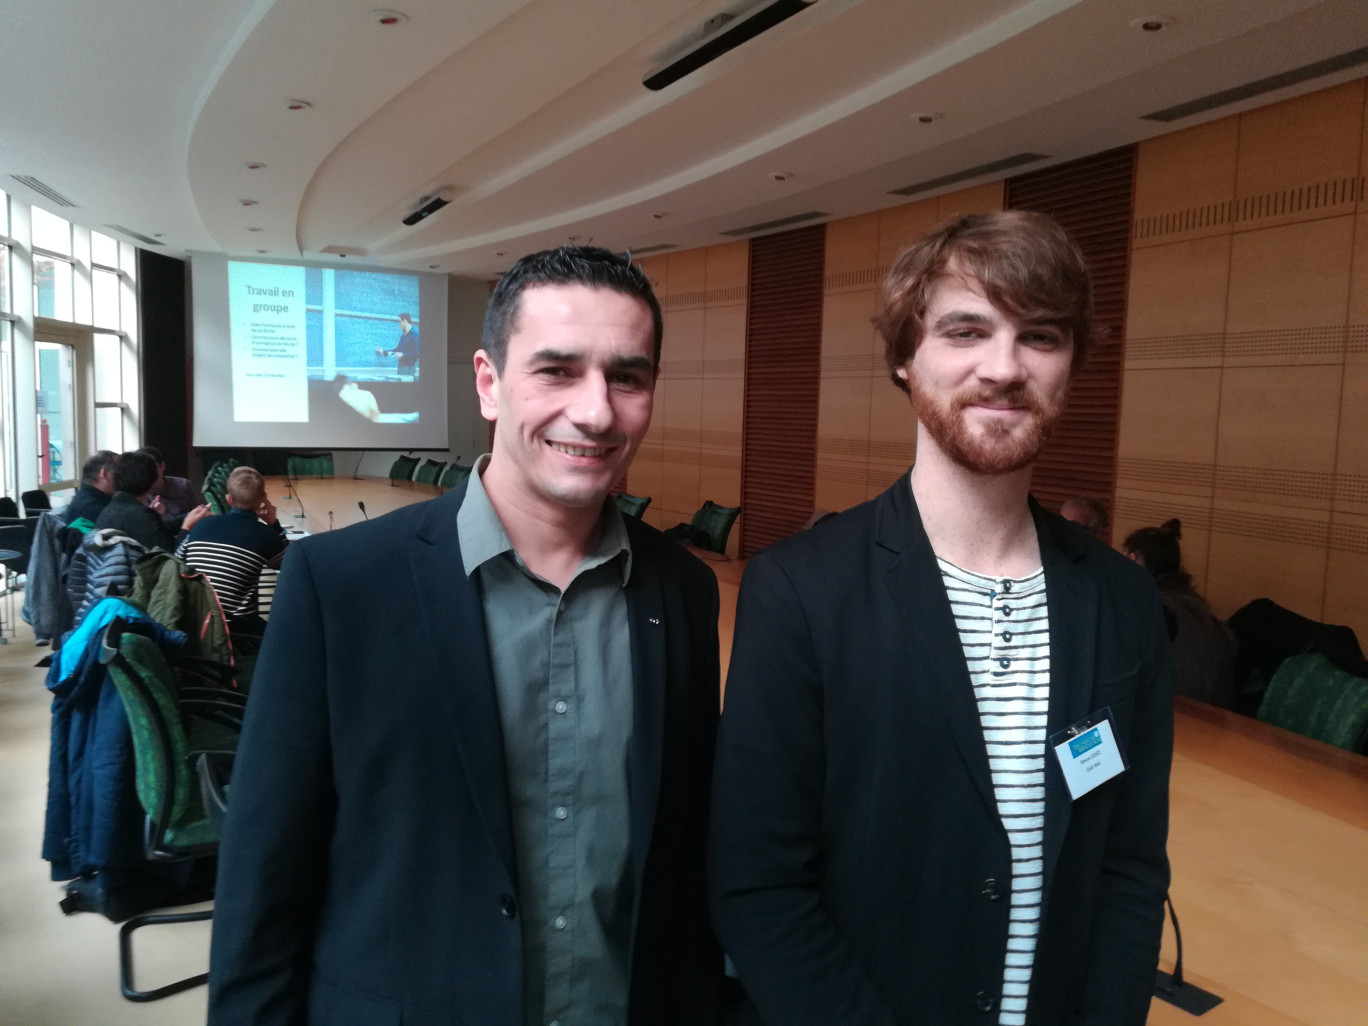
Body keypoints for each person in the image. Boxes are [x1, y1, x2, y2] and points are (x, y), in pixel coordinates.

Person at [209, 245, 724, 1026]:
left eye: (627, 376)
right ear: (488, 382)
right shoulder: (341, 586)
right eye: (555, 370)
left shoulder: (681, 590)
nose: (595, 411)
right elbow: (264, 875)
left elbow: (683, 851)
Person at [710, 211, 1172, 1026]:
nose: (1004, 367)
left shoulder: (1122, 599)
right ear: (904, 358)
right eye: (966, 330)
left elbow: (1129, 866)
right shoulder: (801, 590)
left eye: (1041, 336)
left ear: (1073, 365)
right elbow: (759, 884)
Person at [1124, 519, 1236, 709]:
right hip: (1219, 709)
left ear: (1134, 559)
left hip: (1181, 712)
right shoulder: (1197, 605)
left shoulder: (1149, 607)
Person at [177, 466, 288, 624]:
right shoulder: (266, 536)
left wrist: (184, 528)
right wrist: (274, 524)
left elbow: (176, 560)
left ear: (228, 499)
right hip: (236, 628)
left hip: (194, 621)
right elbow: (291, 562)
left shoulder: (201, 526)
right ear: (263, 498)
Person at [94, 450, 211, 550]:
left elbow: (160, 531)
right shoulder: (140, 516)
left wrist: (189, 516)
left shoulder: (109, 511)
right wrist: (186, 528)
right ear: (151, 480)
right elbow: (171, 556)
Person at [136, 445, 196, 519]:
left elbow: (194, 515)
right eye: (142, 470)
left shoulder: (183, 485)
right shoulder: (138, 493)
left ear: (162, 466)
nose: (147, 473)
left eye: (151, 468)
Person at [61, 450, 117, 525]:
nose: (125, 475)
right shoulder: (95, 510)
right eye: (120, 471)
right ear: (105, 474)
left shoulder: (84, 499)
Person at [334, 374, 420, 422]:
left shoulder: (339, 397)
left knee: (400, 417)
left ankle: (413, 416)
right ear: (348, 383)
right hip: (373, 421)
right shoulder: (365, 394)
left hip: (365, 422)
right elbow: (375, 415)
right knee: (402, 419)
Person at [375, 311, 419, 378]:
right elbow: (397, 350)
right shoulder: (403, 336)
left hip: (409, 369)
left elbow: (417, 353)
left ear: (405, 321)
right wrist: (383, 352)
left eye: (400, 321)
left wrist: (403, 355)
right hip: (401, 367)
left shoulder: (415, 335)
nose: (399, 324)